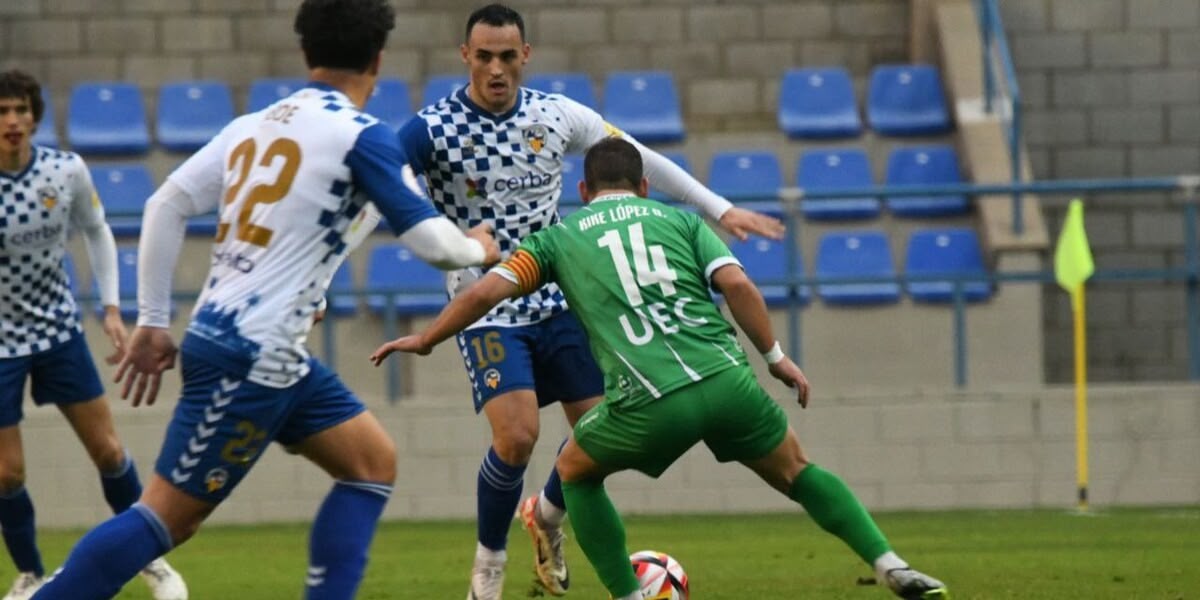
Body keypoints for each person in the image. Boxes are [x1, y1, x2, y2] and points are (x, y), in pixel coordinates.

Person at [29, 1, 499, 598]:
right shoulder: (362, 137)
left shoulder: (255, 124)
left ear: (306, 53)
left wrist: (152, 319)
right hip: (249, 356)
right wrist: (478, 248)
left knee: (371, 463)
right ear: (378, 59)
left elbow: (163, 204)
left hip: (261, 349)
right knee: (165, 518)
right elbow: (436, 245)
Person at [372, 138, 950, 600]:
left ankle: (626, 593)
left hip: (648, 400)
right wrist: (776, 358)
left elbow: (485, 294)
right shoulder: (680, 221)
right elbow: (738, 284)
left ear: (582, 189)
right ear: (644, 186)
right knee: (797, 470)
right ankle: (890, 563)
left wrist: (427, 338)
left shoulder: (557, 238)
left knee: (574, 472)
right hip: (728, 381)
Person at [396, 5, 785, 597]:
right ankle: (488, 568)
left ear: (525, 55)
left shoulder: (555, 116)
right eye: (484, 57)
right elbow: (380, 186)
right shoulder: (432, 129)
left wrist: (718, 207)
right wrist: (445, 245)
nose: (496, 69)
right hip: (490, 302)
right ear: (465, 56)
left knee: (598, 440)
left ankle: (546, 516)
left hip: (560, 295)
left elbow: (638, 158)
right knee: (518, 436)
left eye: (507, 56)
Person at [0, 70, 188, 600]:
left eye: (20, 109)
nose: (12, 121)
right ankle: (32, 574)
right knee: (6, 474)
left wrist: (110, 308)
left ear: (34, 115)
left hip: (59, 332)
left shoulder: (65, 171)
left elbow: (97, 232)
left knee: (108, 450)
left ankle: (152, 564)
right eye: (1, 111)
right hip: (1, 343)